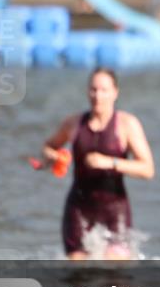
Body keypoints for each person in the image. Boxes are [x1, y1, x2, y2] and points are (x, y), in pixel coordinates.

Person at [40, 68, 153, 260]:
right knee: (78, 274)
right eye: (93, 90)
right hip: (79, 208)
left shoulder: (127, 124)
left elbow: (148, 169)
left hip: (114, 209)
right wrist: (53, 157)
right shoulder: (74, 124)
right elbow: (48, 146)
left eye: (104, 90)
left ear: (115, 92)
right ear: (87, 91)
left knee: (114, 275)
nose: (97, 96)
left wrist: (110, 162)